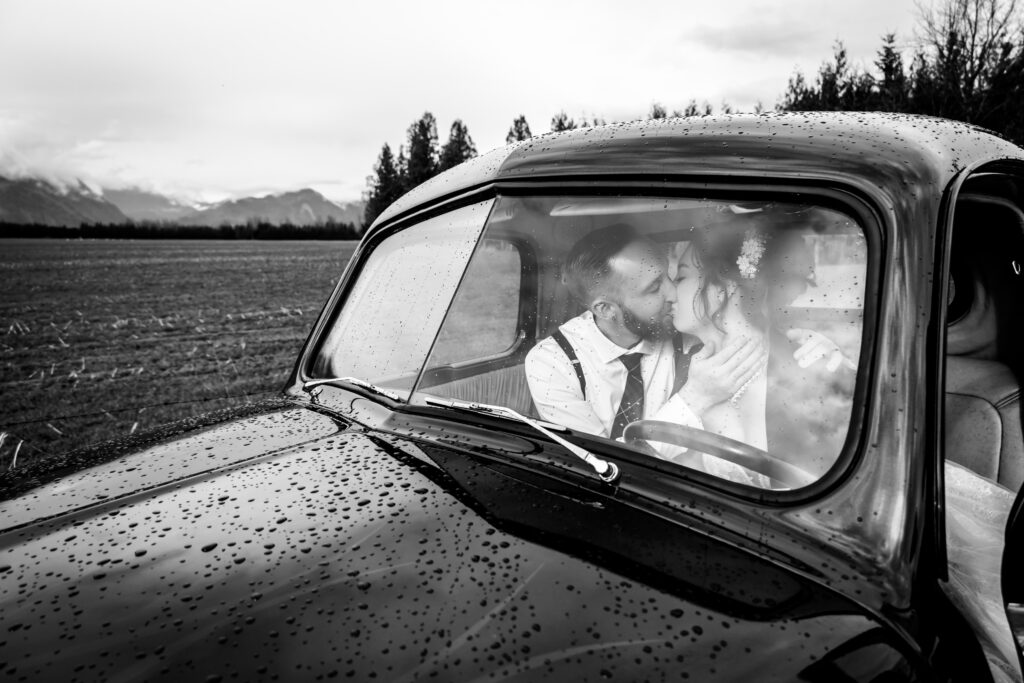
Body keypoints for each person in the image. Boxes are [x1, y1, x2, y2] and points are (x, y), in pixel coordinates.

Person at [525, 223, 765, 441]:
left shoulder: (685, 328)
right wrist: (695, 397)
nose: (673, 294)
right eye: (654, 288)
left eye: (671, 276)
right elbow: (601, 463)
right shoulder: (552, 363)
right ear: (606, 309)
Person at [665, 223, 858, 484]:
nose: (670, 293)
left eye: (680, 277)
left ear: (724, 286)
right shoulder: (685, 366)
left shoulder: (811, 371)